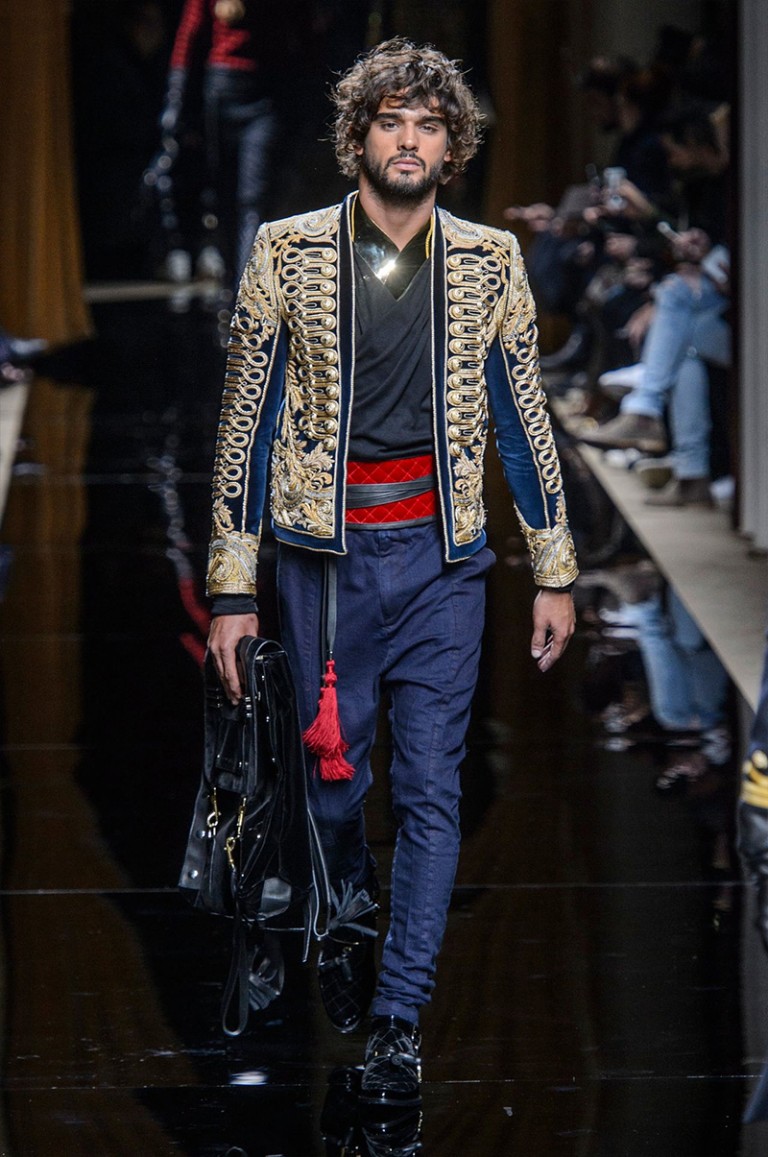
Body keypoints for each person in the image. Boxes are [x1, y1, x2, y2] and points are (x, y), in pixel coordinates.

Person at [205, 38, 578, 1105]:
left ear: (452, 147)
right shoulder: (287, 251)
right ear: (358, 137)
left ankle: (400, 1017)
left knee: (430, 789)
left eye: (429, 124)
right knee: (332, 788)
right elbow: (246, 424)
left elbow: (522, 419)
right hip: (325, 564)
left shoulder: (491, 259)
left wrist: (554, 567)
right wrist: (232, 588)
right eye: (390, 121)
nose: (409, 140)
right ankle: (350, 908)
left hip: (442, 560)